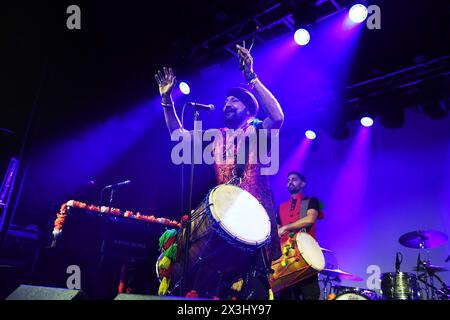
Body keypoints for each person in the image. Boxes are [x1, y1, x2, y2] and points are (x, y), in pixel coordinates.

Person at [154, 44, 284, 299]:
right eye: (225, 100)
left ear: (248, 108)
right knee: (214, 283)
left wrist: (251, 77)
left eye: (233, 100)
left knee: (253, 286)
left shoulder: (257, 129)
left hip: (255, 220)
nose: (227, 103)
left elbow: (278, 116)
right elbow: (178, 136)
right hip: (224, 219)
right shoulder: (218, 136)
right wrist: (167, 101)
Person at [276, 171, 323, 300]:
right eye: (288, 179)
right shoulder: (281, 207)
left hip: (306, 256)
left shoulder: (311, 201)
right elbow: (278, 229)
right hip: (286, 258)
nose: (290, 181)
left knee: (310, 296)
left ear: (303, 184)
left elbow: (310, 219)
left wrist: (286, 227)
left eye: (294, 179)